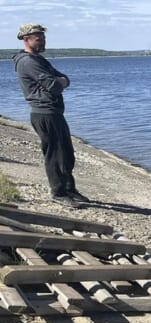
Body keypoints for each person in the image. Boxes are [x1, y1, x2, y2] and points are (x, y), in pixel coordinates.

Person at [12, 23, 89, 207]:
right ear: (26, 39)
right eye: (38, 38)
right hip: (44, 113)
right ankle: (58, 192)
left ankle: (69, 188)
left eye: (43, 37)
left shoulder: (39, 60)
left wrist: (59, 81)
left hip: (54, 112)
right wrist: (59, 82)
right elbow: (54, 86)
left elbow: (63, 78)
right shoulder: (28, 62)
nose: (42, 41)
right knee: (54, 155)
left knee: (67, 154)